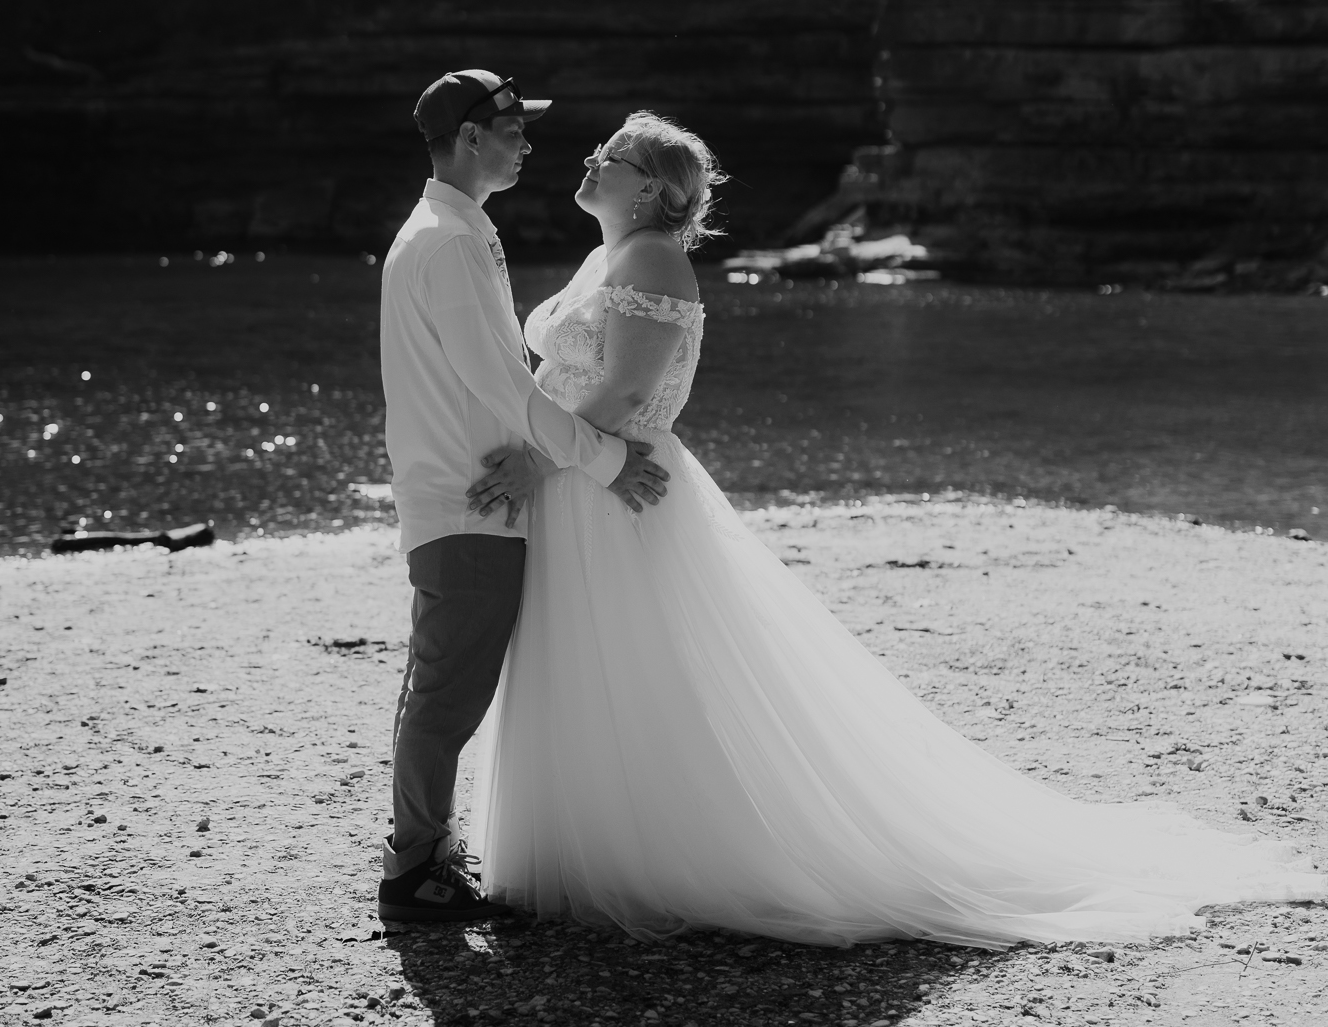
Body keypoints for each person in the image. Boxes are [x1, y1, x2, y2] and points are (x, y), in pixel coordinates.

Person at [465, 111, 1319, 945]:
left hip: (619, 486)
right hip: (588, 481)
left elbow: (618, 395)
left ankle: (658, 851)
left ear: (649, 189)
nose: (587, 160)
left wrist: (538, 462)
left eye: (606, 154)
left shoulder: (650, 258)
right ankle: (602, 835)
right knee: (600, 660)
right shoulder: (610, 253)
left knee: (638, 666)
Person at [377, 70, 669, 929]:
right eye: (513, 131)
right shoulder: (449, 242)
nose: (527, 145)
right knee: (447, 693)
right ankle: (413, 870)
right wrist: (606, 459)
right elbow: (507, 390)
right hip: (470, 498)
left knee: (439, 682)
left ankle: (419, 853)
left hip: (465, 493)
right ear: (471, 139)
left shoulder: (449, 230)